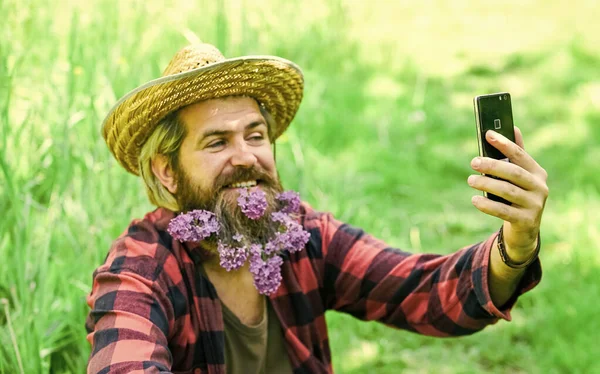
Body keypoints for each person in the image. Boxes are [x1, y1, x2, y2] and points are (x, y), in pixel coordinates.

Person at [85, 43, 548, 374]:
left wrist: (516, 245)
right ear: (167, 171)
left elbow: (426, 292)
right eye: (217, 142)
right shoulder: (140, 269)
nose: (246, 156)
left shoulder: (301, 235)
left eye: (255, 135)